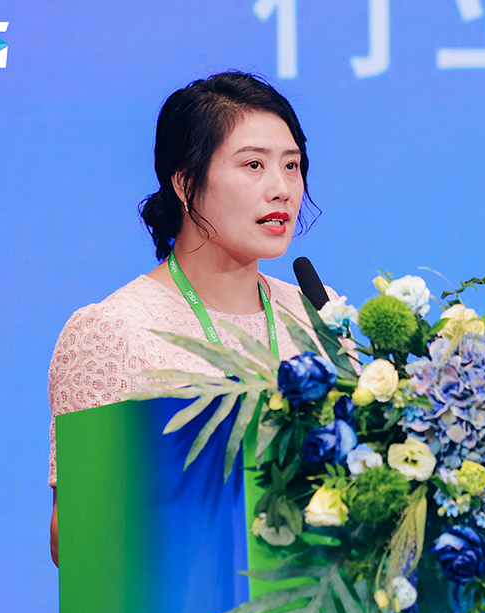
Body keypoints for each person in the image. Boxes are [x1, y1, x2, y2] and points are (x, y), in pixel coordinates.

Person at [47, 71, 342, 566]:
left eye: (291, 166)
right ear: (185, 183)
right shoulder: (114, 330)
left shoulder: (318, 312)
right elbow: (73, 538)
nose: (282, 189)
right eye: (254, 165)